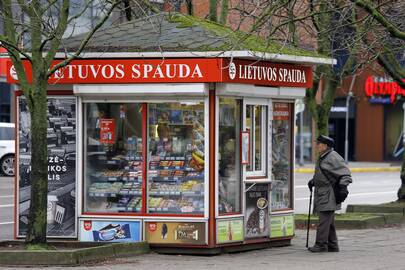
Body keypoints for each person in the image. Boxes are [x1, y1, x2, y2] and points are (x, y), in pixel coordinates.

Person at [307, 135, 352, 253]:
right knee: (329, 222)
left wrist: (343, 188)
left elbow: (345, 174)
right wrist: (313, 181)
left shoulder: (333, 157)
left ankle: (321, 244)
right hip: (322, 193)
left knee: (323, 221)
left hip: (328, 194)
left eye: (318, 144)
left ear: (325, 145)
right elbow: (323, 173)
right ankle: (333, 245)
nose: (316, 146)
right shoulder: (323, 157)